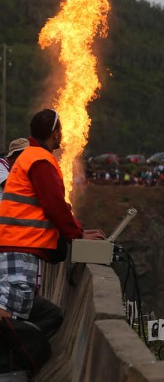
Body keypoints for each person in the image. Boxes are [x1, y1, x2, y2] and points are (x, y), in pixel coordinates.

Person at [0, 109, 104, 322]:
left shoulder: (28, 157)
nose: (62, 135)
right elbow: (54, 204)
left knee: (13, 313)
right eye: (60, 130)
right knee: (12, 316)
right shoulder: (40, 160)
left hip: (15, 245)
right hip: (20, 247)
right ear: (55, 133)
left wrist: (77, 230)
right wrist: (76, 235)